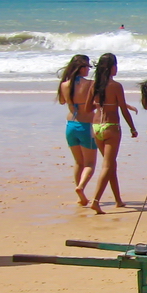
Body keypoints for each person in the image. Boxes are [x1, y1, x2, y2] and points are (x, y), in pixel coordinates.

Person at [84, 53, 138, 214]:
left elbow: (88, 108)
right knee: (107, 165)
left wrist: (101, 104)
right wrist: (132, 128)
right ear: (111, 67)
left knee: (111, 164)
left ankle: (118, 200)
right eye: (116, 65)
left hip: (96, 126)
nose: (117, 68)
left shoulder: (94, 85)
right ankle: (95, 201)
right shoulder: (116, 86)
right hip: (111, 126)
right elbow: (123, 110)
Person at [56, 54, 97, 206]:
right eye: (87, 67)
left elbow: (62, 101)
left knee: (78, 162)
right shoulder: (91, 84)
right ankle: (80, 187)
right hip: (86, 125)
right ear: (82, 68)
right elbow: (97, 102)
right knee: (90, 164)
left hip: (70, 126)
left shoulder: (65, 84)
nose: (89, 70)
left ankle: (81, 195)